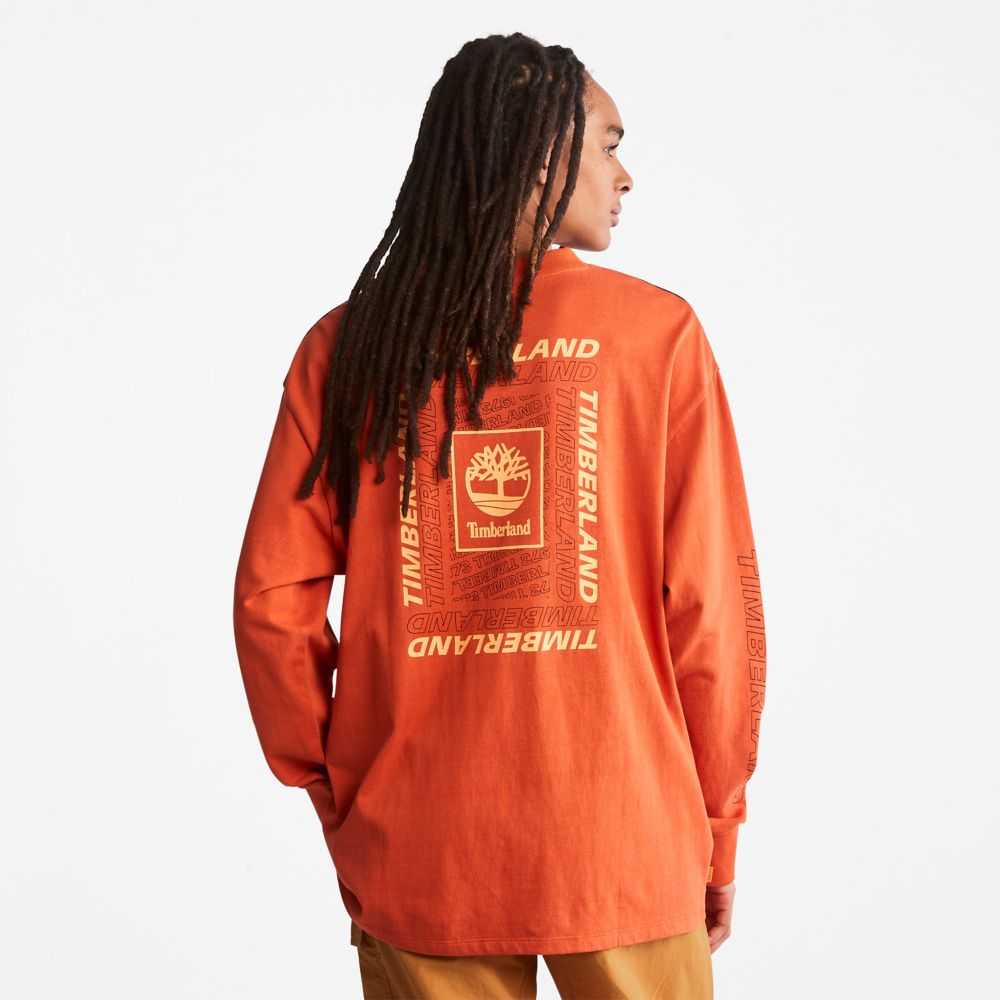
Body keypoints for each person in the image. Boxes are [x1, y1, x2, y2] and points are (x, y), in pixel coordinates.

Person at [233, 31, 767, 999]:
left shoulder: (351, 347)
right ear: (542, 153)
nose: (626, 175)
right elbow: (713, 612)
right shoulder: (655, 339)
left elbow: (271, 606)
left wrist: (340, 796)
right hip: (625, 839)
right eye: (609, 144)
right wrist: (716, 825)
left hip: (421, 843)